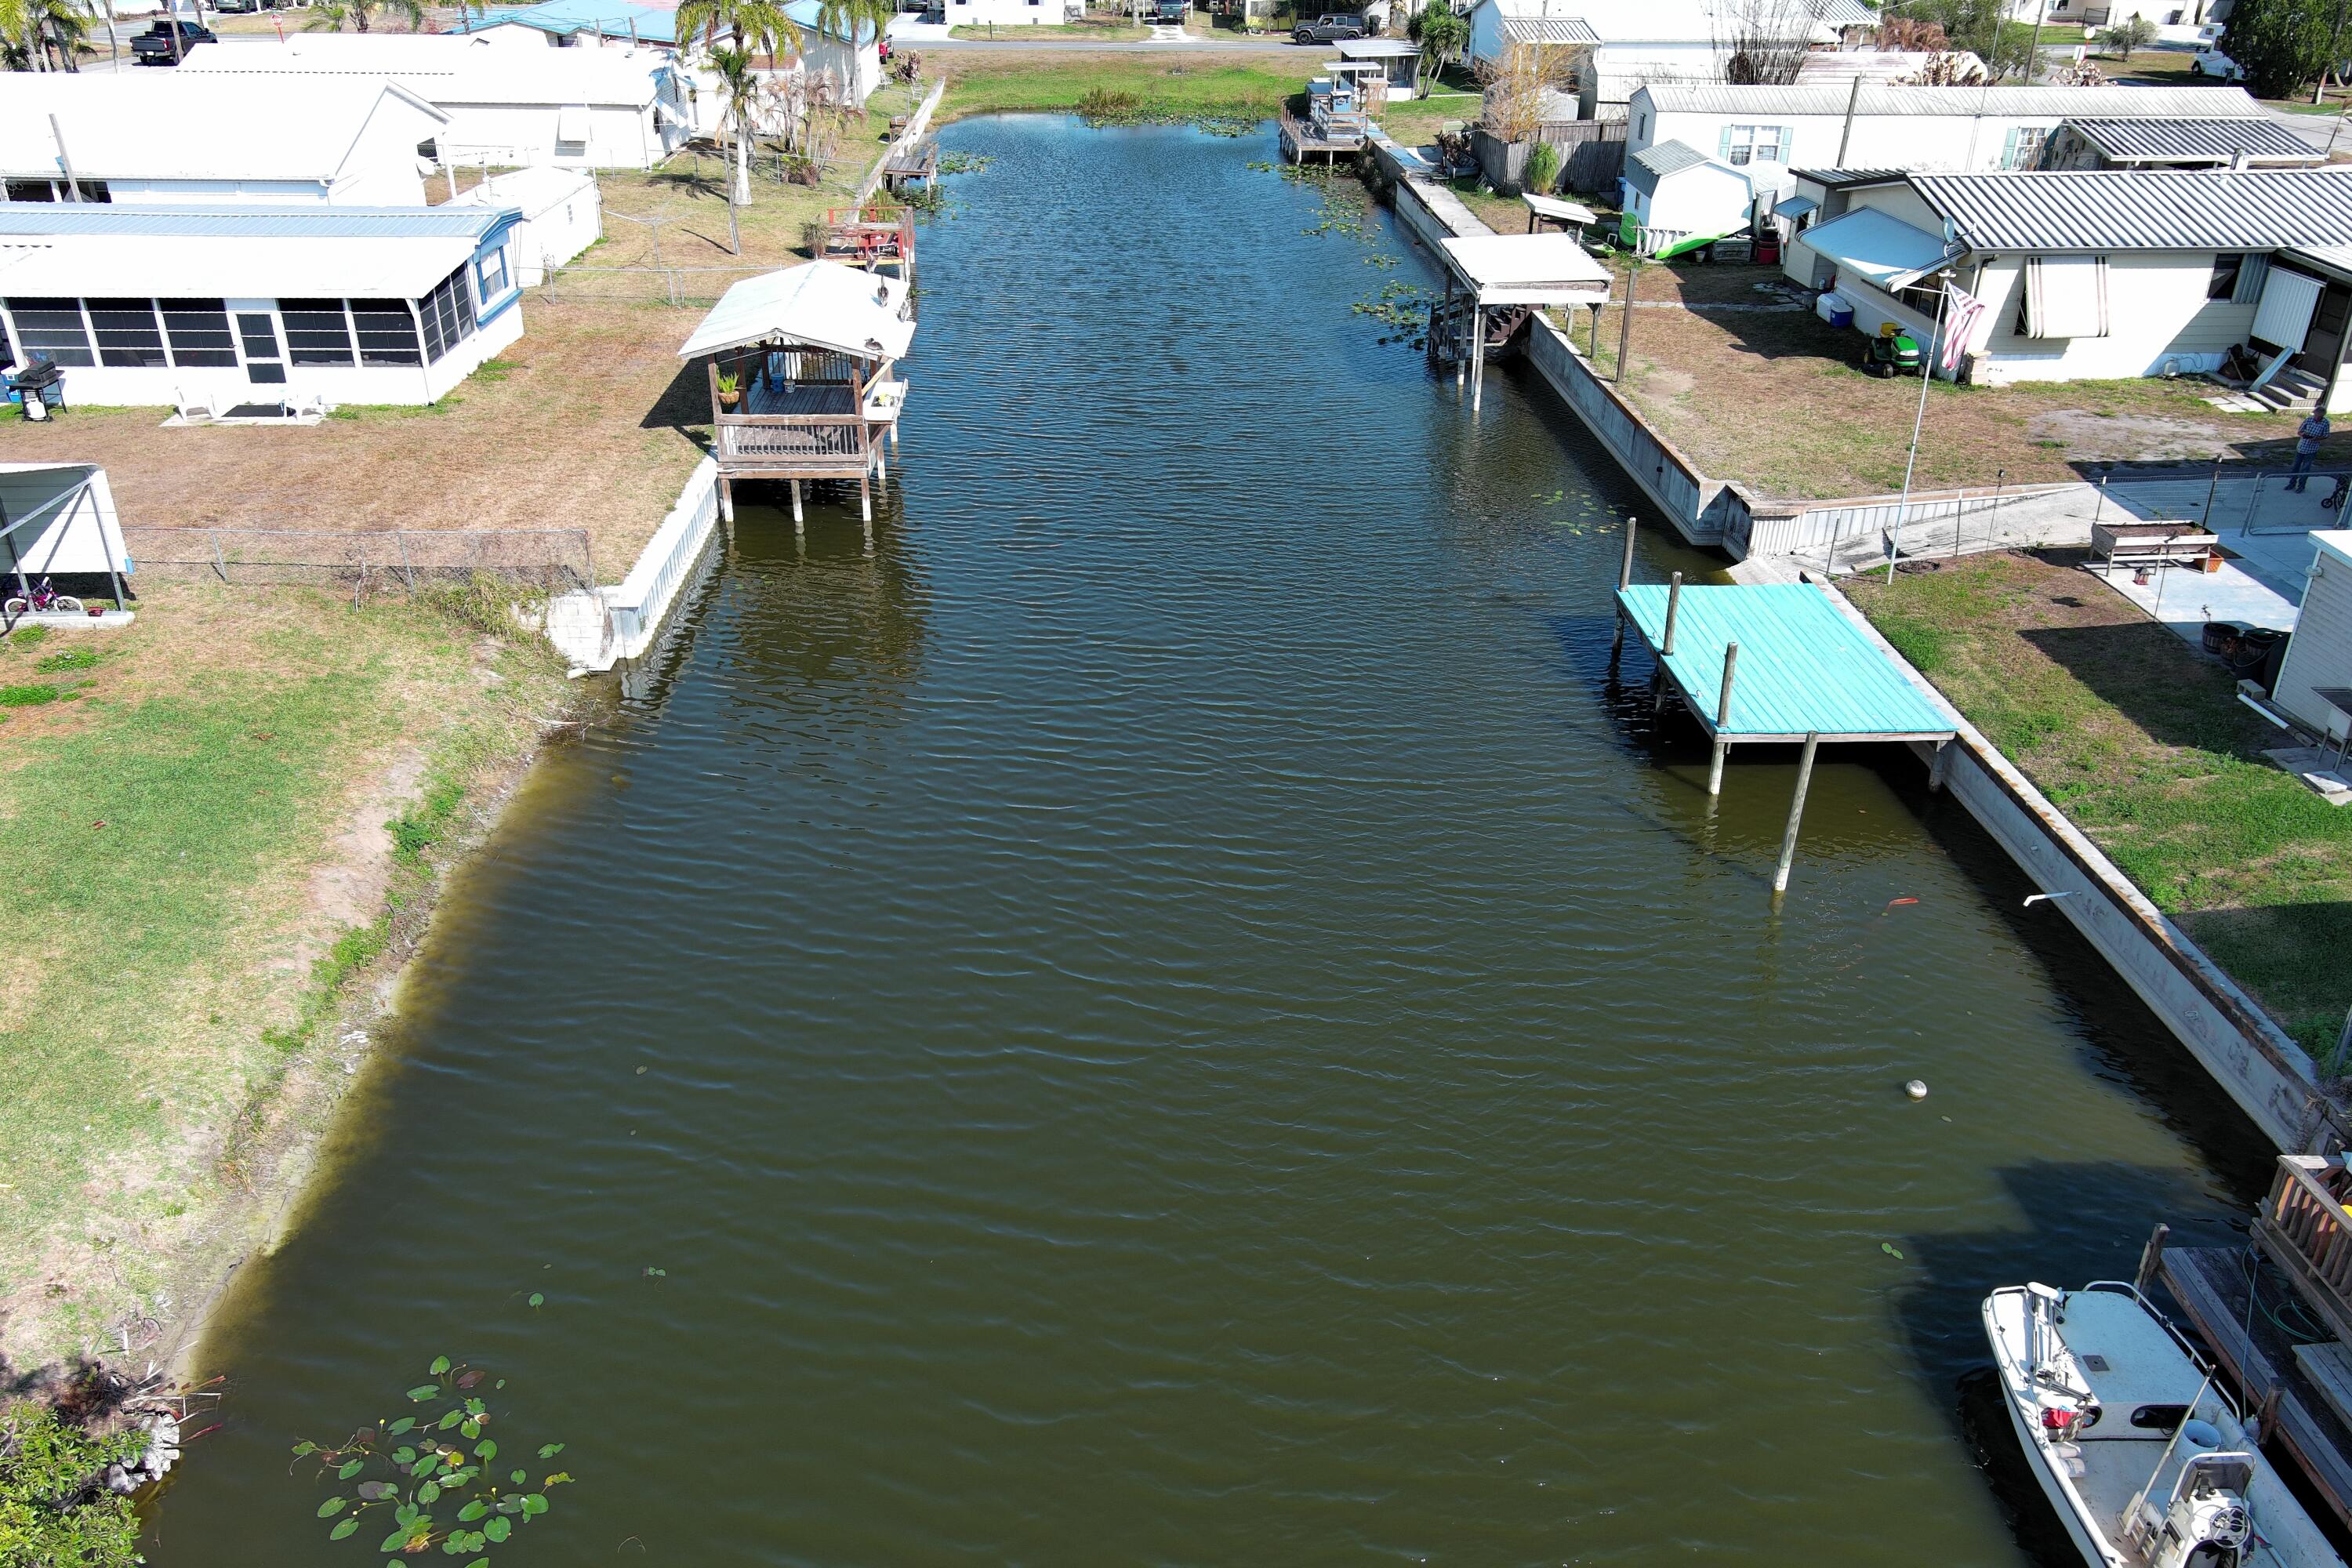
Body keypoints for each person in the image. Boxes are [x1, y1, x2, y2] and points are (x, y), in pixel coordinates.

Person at [2288, 409, 2330, 492]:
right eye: (2315, 415)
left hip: (2312, 449)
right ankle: (2291, 484)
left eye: (2318, 416)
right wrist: (2303, 434)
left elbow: (2326, 435)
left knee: (2305, 469)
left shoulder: (2325, 423)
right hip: (2301, 447)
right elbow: (2300, 431)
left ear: (2322, 416)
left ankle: (2301, 486)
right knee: (2295, 467)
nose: (2316, 417)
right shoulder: (2309, 419)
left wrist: (2317, 438)